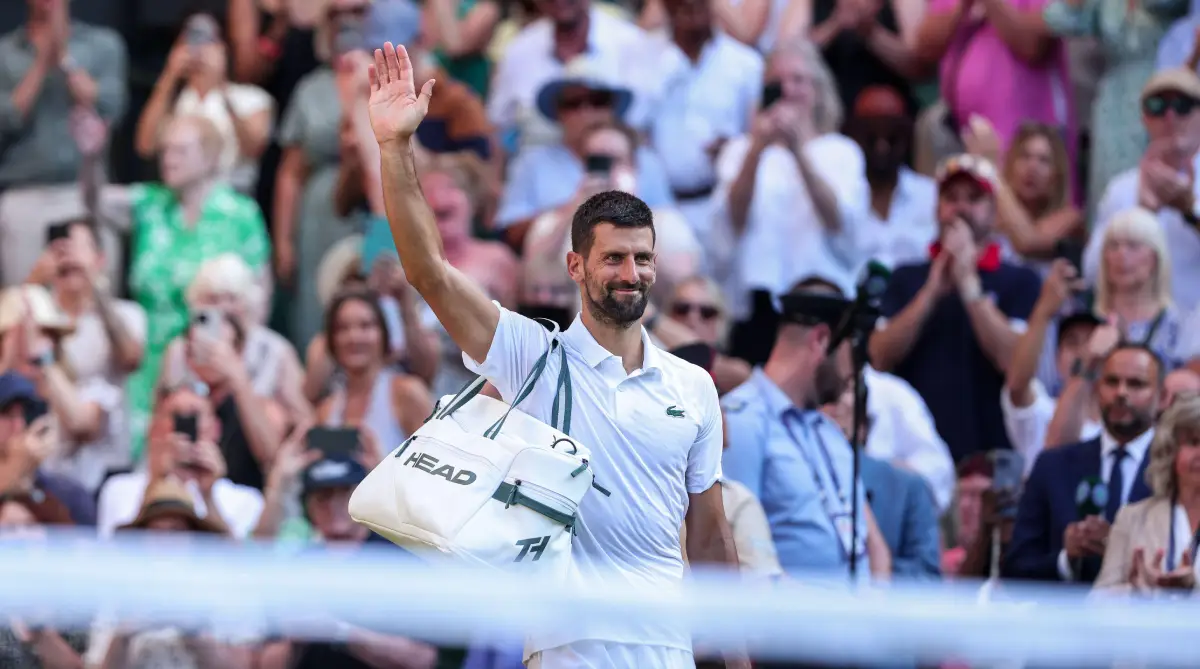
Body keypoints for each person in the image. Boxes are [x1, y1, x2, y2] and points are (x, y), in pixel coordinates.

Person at [364, 42, 746, 669]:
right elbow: (428, 271)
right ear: (576, 266)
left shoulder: (694, 385)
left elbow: (709, 539)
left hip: (666, 653)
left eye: (642, 257)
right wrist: (393, 147)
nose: (632, 272)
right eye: (614, 258)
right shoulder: (530, 356)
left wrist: (737, 661)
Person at [1003, 344, 1162, 584]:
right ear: (1097, 389)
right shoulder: (1053, 466)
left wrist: (1122, 547)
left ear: (1161, 396)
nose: (1121, 392)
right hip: (1068, 616)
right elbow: (1017, 567)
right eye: (1111, 381)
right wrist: (1067, 558)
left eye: (1136, 384)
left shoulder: (1179, 469)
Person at [1093, 393, 1200, 593]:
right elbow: (1096, 603)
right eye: (1193, 442)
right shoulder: (1132, 517)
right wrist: (1134, 592)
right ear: (1171, 450)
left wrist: (1194, 591)